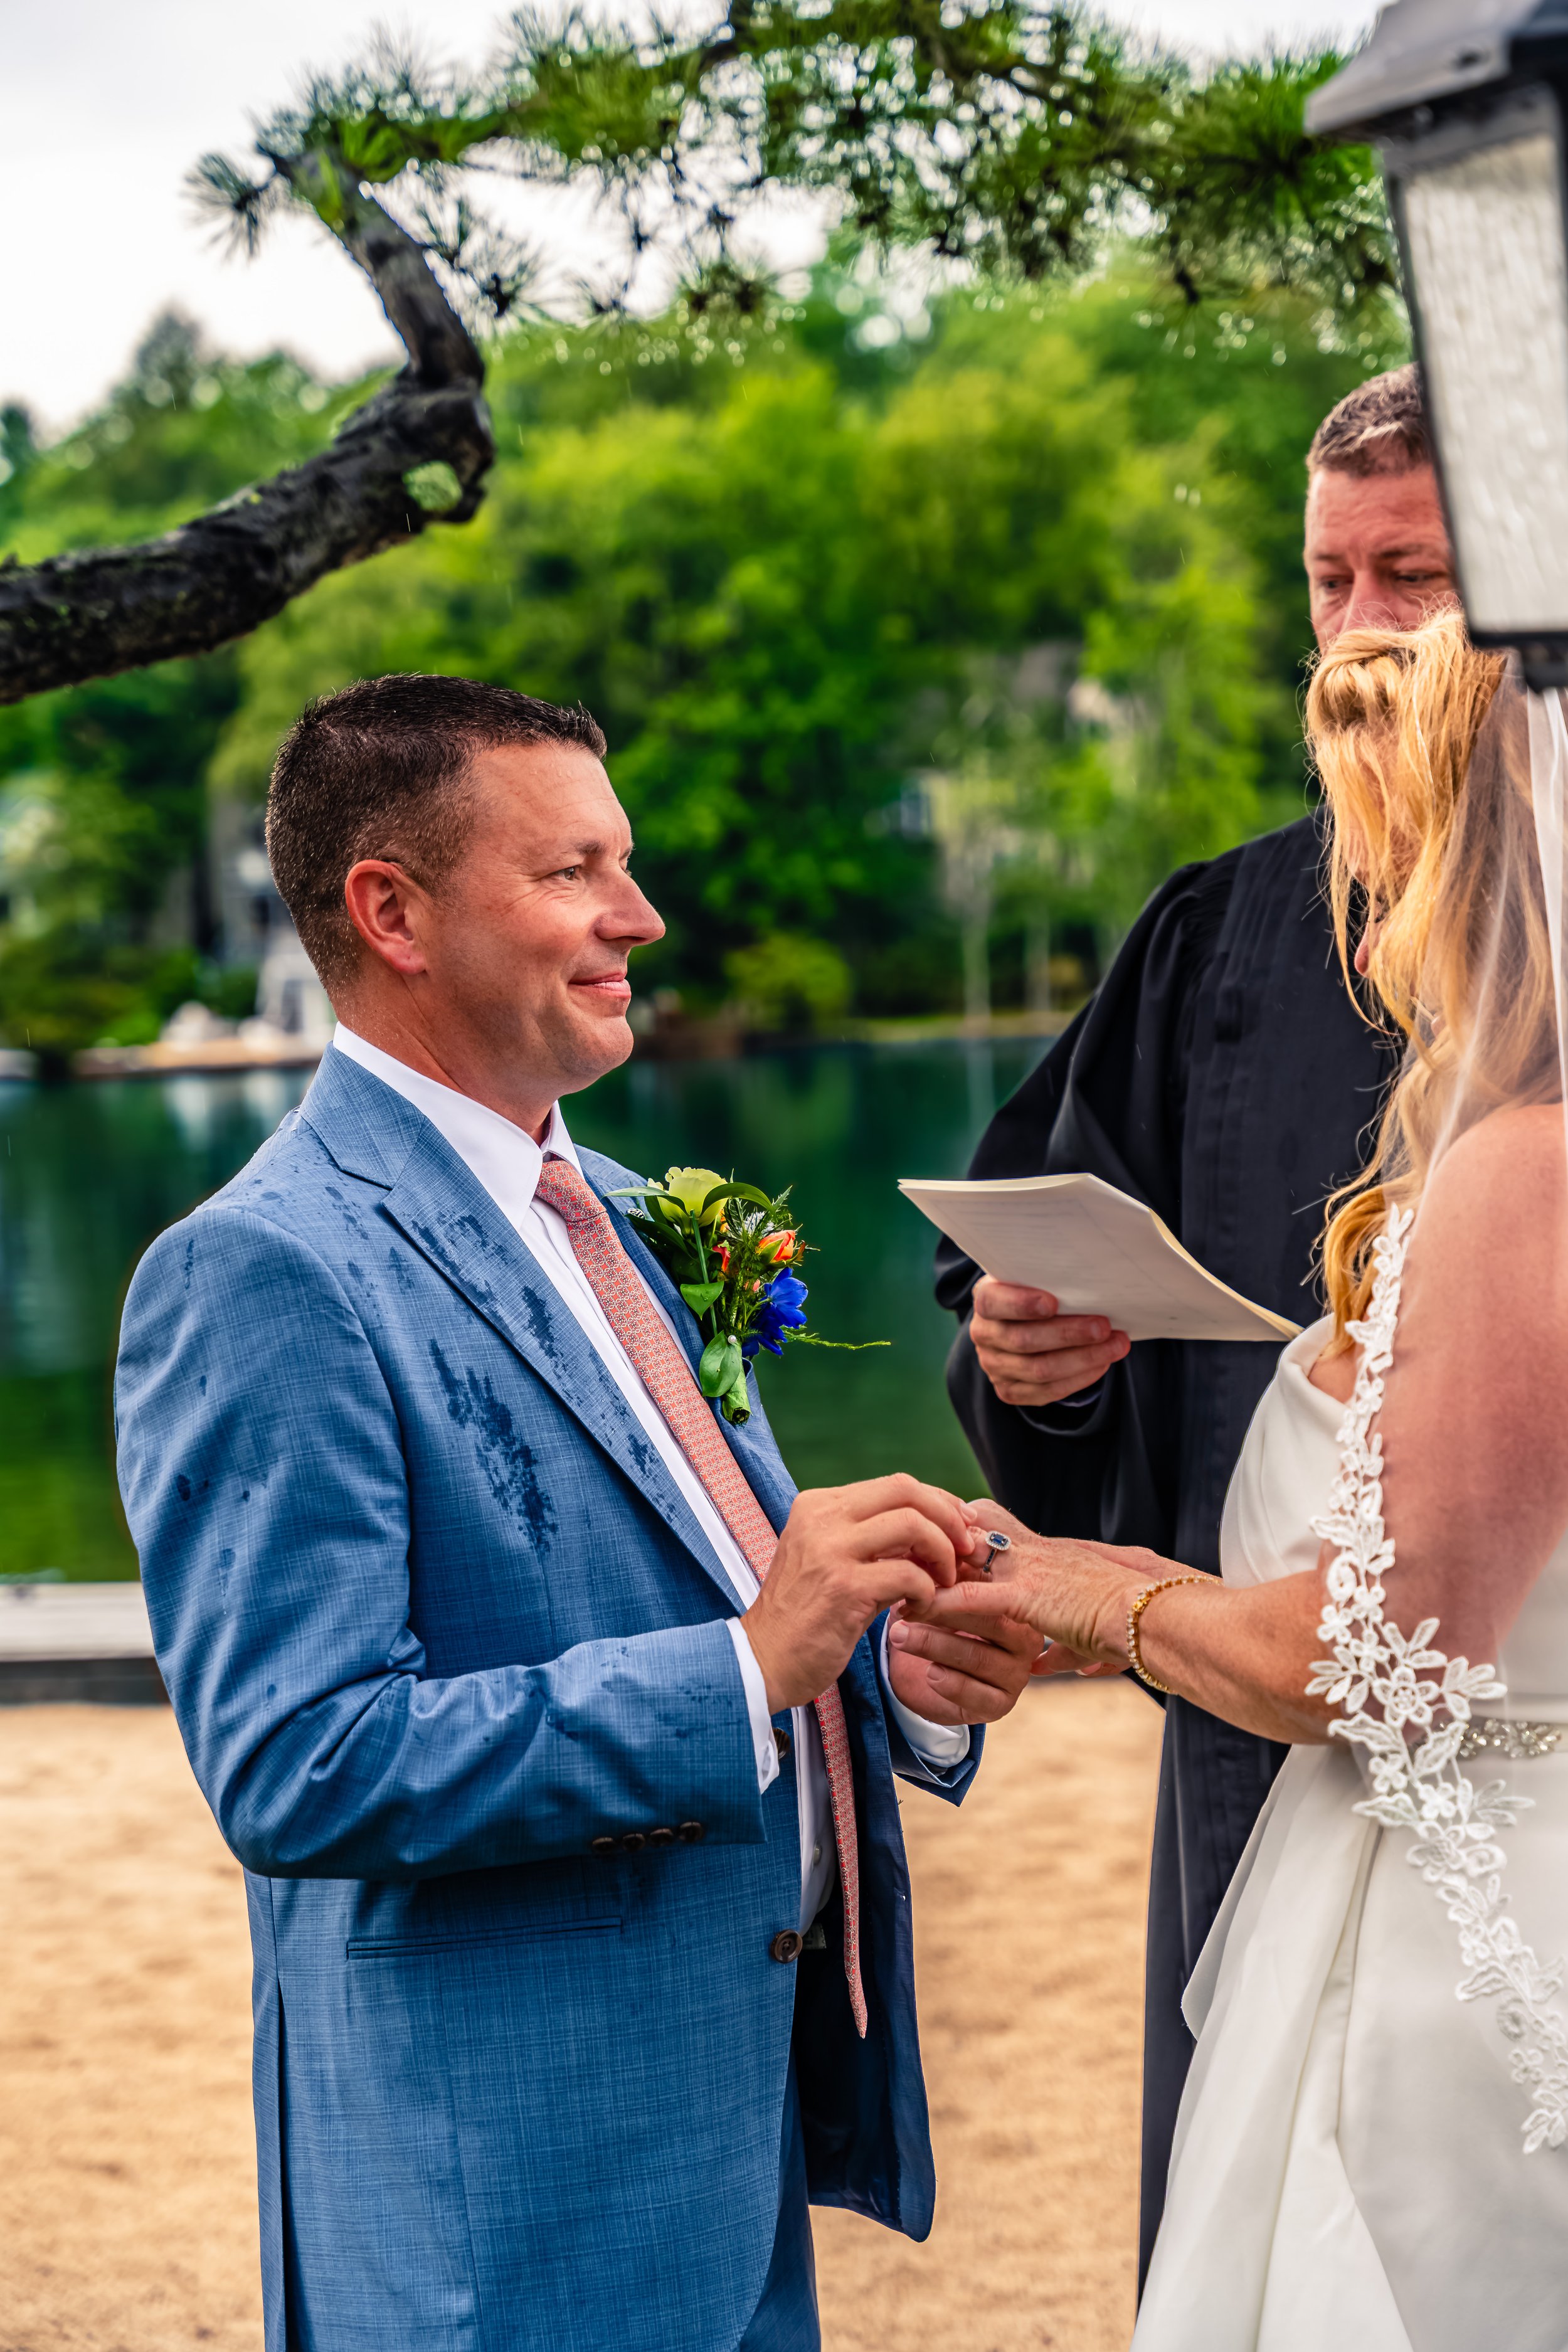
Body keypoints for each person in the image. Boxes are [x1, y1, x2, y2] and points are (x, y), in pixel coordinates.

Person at [115, 675, 1034, 2352]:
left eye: (624, 862)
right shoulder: (265, 1271)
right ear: (390, 911)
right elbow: (297, 1765)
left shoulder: (620, 1210)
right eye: (571, 873)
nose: (642, 915)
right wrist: (748, 1667)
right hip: (504, 2200)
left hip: (730, 2124)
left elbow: (695, 1600)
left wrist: (877, 1670)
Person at [906, 610, 1568, 2345]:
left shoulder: (1526, 1174)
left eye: (1380, 860)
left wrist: (1098, 1594)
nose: (1360, 918)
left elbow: (1367, 1660)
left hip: (1450, 1963)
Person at [935, 363, 1454, 2272]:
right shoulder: (1221, 934)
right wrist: (1040, 1373)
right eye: (1327, 582)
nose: (1356, 633)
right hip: (1265, 1729)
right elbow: (1049, 1267)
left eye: (1409, 575)